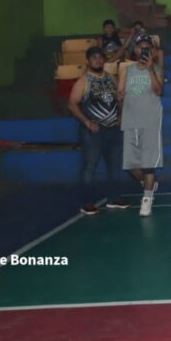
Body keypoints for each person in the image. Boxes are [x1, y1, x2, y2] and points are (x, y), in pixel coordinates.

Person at [69, 47, 129, 215]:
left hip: (113, 130)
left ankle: (115, 198)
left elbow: (119, 98)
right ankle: (86, 202)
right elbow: (72, 104)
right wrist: (87, 123)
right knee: (90, 167)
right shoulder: (84, 81)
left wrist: (121, 115)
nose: (98, 60)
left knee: (115, 166)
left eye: (100, 57)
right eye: (94, 58)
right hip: (93, 132)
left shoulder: (111, 78)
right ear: (87, 62)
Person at [119, 36, 164, 217]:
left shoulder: (157, 69)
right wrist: (120, 98)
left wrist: (150, 69)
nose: (143, 51)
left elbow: (159, 91)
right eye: (140, 48)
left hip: (151, 120)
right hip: (130, 120)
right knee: (130, 165)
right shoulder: (126, 70)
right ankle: (149, 184)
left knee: (148, 164)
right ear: (135, 50)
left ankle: (146, 200)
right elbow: (120, 93)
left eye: (147, 48)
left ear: (152, 51)